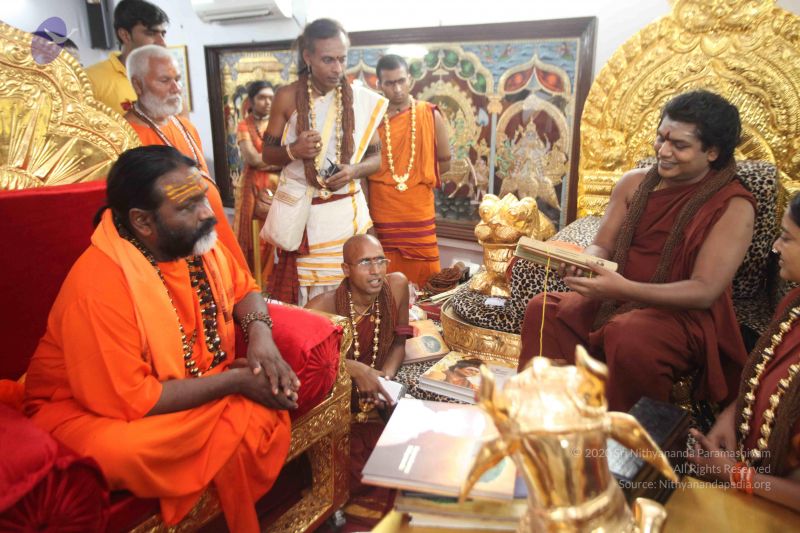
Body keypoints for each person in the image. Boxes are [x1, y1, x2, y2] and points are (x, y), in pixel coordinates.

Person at [24, 146, 300, 532]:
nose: (206, 214)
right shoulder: (98, 287)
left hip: (186, 386)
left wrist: (260, 337)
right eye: (187, 207)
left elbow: (245, 289)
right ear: (143, 221)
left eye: (202, 198)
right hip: (94, 408)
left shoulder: (192, 243)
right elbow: (134, 399)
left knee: (255, 408)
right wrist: (237, 382)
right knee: (122, 451)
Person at [518, 90, 756, 412]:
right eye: (661, 138)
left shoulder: (733, 205)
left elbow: (704, 291)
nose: (664, 151)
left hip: (681, 315)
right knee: (543, 309)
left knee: (628, 334)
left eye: (679, 145)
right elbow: (603, 244)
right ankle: (550, 415)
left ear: (712, 152)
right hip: (613, 298)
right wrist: (584, 262)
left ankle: (625, 435)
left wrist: (623, 288)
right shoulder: (633, 183)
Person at [261, 18, 387, 306]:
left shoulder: (360, 100)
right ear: (308, 57)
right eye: (328, 60)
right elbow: (267, 154)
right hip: (306, 219)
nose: (337, 68)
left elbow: (376, 159)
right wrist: (294, 150)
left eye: (342, 59)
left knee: (355, 296)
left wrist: (353, 170)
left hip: (348, 215)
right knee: (312, 303)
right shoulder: (287, 97)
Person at [688, 193, 800, 511]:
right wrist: (731, 415)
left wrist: (734, 474)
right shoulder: (794, 306)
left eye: (787, 238)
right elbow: (768, 380)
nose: (775, 247)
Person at [306, 233, 410, 530]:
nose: (376, 271)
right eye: (365, 263)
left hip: (379, 403)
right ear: (345, 269)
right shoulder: (322, 307)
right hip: (340, 410)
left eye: (380, 260)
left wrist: (384, 377)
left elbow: (399, 343)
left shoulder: (397, 286)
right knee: (354, 476)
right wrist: (353, 368)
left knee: (413, 460)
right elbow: (306, 368)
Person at [125, 44, 248, 271]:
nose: (176, 88)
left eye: (178, 79)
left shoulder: (185, 126)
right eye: (165, 80)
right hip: (176, 252)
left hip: (213, 234)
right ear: (137, 84)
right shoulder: (125, 136)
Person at [368, 54, 451, 287]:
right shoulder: (371, 119)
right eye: (389, 83)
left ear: (410, 80)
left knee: (426, 280)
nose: (397, 89)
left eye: (401, 81)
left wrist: (418, 173)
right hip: (384, 211)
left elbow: (444, 163)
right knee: (384, 279)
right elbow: (365, 170)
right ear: (379, 84)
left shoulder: (430, 114)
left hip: (418, 211)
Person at [85, 0, 168, 115]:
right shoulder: (88, 80)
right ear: (125, 35)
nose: (162, 43)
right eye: (151, 33)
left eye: (163, 34)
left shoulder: (167, 76)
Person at [234, 81, 280, 284]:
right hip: (252, 188)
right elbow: (252, 159)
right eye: (262, 98)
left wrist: (273, 161)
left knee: (274, 233)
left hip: (278, 186)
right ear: (251, 101)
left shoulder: (280, 124)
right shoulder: (244, 125)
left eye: (271, 98)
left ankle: (270, 282)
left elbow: (289, 158)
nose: (267, 102)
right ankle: (252, 282)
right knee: (253, 236)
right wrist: (280, 160)